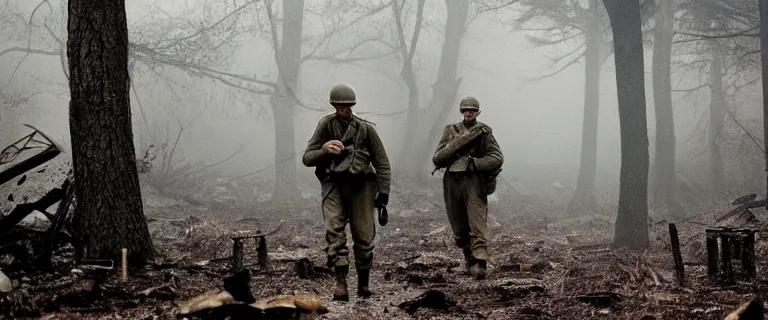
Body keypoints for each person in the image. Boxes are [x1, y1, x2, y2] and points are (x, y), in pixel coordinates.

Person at [302, 83, 392, 301]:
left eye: (348, 106)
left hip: (362, 186)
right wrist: (324, 150)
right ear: (334, 106)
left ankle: (363, 284)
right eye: (341, 106)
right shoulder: (325, 125)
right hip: (333, 183)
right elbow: (307, 158)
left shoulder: (366, 129)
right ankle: (341, 283)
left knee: (363, 235)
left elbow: (382, 163)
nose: (345, 109)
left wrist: (383, 192)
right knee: (333, 230)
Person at [431, 96, 503, 280]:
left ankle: (480, 261)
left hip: (473, 181)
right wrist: (455, 145)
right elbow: (438, 158)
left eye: (472, 110)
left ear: (477, 112)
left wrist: (476, 163)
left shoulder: (484, 132)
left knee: (477, 221)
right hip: (452, 181)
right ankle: (468, 257)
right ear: (462, 112)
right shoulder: (451, 131)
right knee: (457, 224)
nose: (469, 113)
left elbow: (496, 157)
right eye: (465, 110)